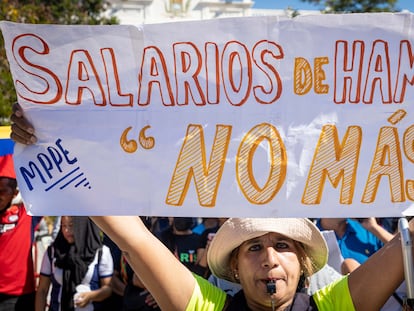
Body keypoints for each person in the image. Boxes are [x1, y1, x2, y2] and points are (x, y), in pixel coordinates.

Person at [10, 102, 414, 310]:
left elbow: (406, 243)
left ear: (305, 263)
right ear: (233, 266)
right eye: (254, 247)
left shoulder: (335, 307)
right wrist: (52, 138)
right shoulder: (207, 306)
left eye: (283, 245)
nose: (270, 259)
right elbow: (132, 237)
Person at [35, 216, 113, 311]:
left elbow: (108, 288)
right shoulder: (53, 252)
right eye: (64, 226)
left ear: (82, 226)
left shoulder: (101, 252)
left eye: (71, 225)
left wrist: (91, 296)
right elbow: (42, 290)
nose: (67, 230)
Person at [0, 146, 36, 311]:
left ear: (14, 193)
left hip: (19, 296)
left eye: (3, 191)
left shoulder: (26, 213)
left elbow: (39, 186)